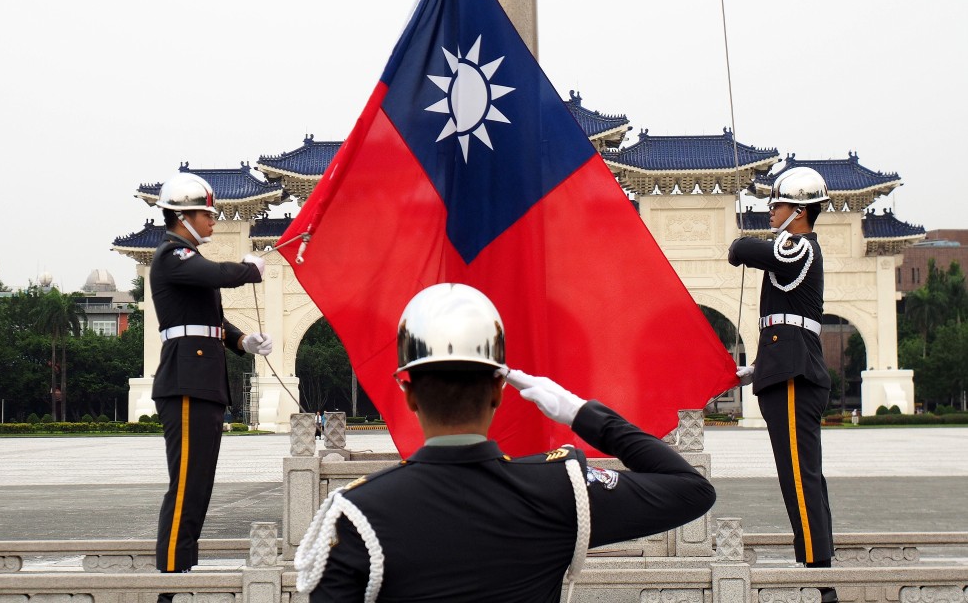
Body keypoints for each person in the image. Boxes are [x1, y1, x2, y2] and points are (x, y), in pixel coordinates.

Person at [295, 283, 716, 602]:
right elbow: (691, 489)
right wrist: (581, 413)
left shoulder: (355, 514)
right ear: (499, 389)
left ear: (407, 392)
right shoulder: (562, 489)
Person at [149, 172, 273, 602]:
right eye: (207, 213)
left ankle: (182, 571)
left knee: (198, 483)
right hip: (186, 382)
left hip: (202, 381)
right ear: (184, 216)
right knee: (186, 483)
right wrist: (248, 269)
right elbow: (216, 273)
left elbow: (211, 322)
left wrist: (242, 341)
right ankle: (169, 580)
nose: (213, 220)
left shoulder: (187, 260)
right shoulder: (172, 256)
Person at [728, 166, 837, 602]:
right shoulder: (792, 248)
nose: (770, 212)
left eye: (777, 205)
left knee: (799, 474)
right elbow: (782, 324)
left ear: (799, 211)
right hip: (785, 368)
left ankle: (820, 574)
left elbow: (740, 249)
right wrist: (754, 367)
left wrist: (739, 243)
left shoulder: (801, 247)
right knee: (799, 474)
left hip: (795, 376)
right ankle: (817, 564)